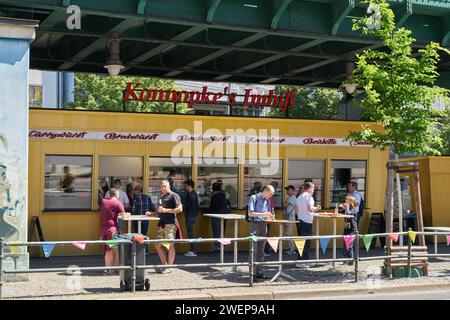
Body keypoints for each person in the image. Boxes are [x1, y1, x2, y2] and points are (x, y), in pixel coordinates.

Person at [152, 180, 183, 274]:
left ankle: (169, 266)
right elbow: (160, 210)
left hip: (171, 224)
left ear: (169, 186)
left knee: (170, 245)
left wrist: (166, 210)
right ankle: (165, 265)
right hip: (162, 223)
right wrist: (153, 213)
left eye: (164, 186)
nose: (163, 188)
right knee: (157, 245)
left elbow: (180, 209)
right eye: (161, 186)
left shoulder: (174, 195)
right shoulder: (162, 196)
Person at [247, 185, 274, 281]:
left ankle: (259, 272)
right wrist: (264, 214)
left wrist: (269, 217)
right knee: (253, 249)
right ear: (265, 190)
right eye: (270, 194)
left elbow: (266, 213)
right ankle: (251, 274)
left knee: (261, 250)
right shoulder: (253, 198)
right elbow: (250, 213)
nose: (271, 196)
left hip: (263, 224)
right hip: (254, 224)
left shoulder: (267, 200)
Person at [99, 188, 125, 275]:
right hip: (112, 230)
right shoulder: (117, 203)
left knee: (107, 250)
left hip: (103, 229)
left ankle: (107, 269)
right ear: (116, 194)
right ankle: (110, 270)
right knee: (112, 250)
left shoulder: (103, 201)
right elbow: (124, 215)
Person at [295, 182, 321, 265]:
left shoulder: (299, 196)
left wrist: (300, 215)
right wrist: (317, 208)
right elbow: (310, 209)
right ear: (309, 188)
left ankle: (304, 260)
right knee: (307, 242)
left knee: (301, 241)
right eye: (313, 189)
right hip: (307, 221)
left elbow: (296, 209)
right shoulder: (309, 197)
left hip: (300, 220)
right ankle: (301, 262)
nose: (313, 191)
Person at [207, 182, 231, 252]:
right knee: (222, 232)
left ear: (213, 188)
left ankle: (218, 248)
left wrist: (205, 211)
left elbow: (212, 208)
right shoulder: (223, 195)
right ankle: (222, 248)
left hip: (216, 216)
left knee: (216, 232)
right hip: (224, 217)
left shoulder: (215, 197)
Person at [340, 195, 358, 264]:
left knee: (349, 246)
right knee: (345, 245)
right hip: (347, 229)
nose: (345, 202)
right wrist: (340, 207)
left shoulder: (353, 210)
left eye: (347, 200)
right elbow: (339, 211)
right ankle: (345, 259)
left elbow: (348, 215)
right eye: (345, 200)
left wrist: (346, 207)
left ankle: (350, 260)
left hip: (352, 230)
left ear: (351, 202)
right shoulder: (346, 209)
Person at [183, 180, 198, 257]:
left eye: (185, 185)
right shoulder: (191, 194)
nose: (184, 187)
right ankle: (192, 250)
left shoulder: (192, 195)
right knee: (190, 233)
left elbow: (192, 206)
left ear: (189, 186)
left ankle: (193, 250)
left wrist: (183, 206)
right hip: (191, 215)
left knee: (190, 233)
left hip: (190, 215)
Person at [283, 185, 297, 255]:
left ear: (291, 190)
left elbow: (285, 205)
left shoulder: (292, 197)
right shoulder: (291, 197)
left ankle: (292, 249)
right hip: (289, 217)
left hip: (290, 218)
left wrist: (286, 201)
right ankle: (290, 247)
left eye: (288, 190)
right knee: (288, 233)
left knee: (289, 234)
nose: (287, 191)